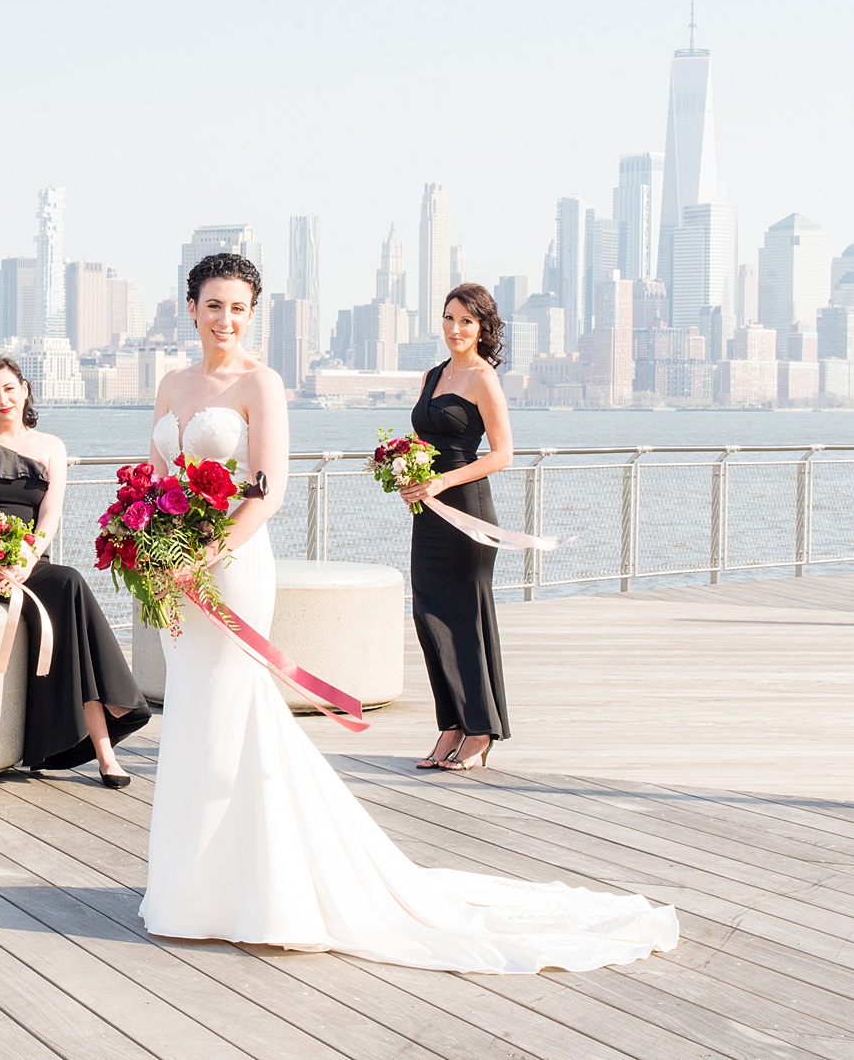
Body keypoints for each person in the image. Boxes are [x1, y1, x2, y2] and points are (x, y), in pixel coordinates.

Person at [138, 253, 677, 972]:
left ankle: (257, 884)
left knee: (232, 706)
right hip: (173, 571)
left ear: (253, 313)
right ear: (191, 307)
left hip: (230, 568)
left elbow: (266, 491)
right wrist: (151, 543)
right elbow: (154, 476)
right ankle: (192, 886)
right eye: (212, 305)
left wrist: (202, 557)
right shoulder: (173, 383)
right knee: (195, 714)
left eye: (238, 307)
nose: (224, 319)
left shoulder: (261, 383)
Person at [0, 357, 149, 786]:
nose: (3, 399)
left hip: (29, 560)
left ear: (25, 389)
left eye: (9, 389)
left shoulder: (52, 446)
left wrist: (27, 558)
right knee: (69, 587)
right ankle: (108, 736)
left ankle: (103, 749)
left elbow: (50, 517)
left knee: (65, 602)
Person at [402, 284, 513, 771]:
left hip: (467, 512)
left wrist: (443, 479)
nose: (454, 329)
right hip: (427, 514)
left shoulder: (483, 378)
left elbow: (503, 454)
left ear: (482, 327)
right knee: (428, 618)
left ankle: (480, 729)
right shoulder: (433, 374)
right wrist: (406, 473)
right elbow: (420, 441)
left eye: (466, 321)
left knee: (465, 619)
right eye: (448, 318)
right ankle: (451, 724)